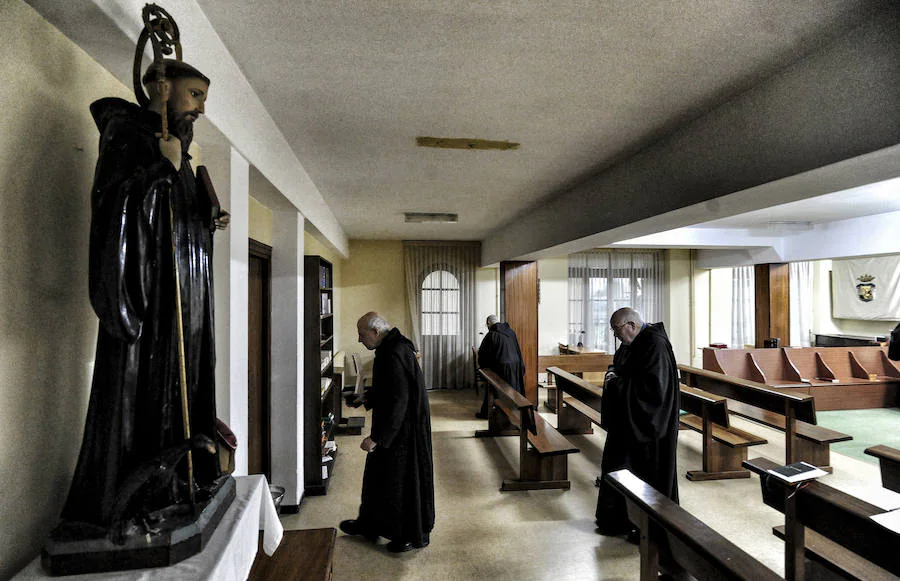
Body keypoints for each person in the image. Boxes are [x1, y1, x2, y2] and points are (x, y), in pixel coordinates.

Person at [57, 58, 227, 537]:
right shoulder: (127, 134)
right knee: (142, 395)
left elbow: (176, 227)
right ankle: (136, 497)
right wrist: (160, 167)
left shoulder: (179, 149)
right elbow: (115, 207)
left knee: (187, 384)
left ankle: (181, 482)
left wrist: (202, 221)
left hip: (184, 301)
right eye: (195, 94)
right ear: (162, 85)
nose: (200, 107)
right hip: (150, 300)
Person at [340, 312, 435, 552]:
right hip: (394, 428)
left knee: (399, 483)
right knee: (377, 478)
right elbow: (388, 390)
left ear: (376, 332)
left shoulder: (394, 353)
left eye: (362, 334)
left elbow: (399, 401)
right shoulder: (389, 347)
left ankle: (407, 535)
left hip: (402, 432)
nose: (359, 339)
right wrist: (366, 397)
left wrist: (377, 438)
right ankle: (370, 524)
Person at [595, 307, 680, 541]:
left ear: (631, 325)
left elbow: (654, 391)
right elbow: (619, 366)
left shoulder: (655, 344)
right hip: (629, 422)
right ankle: (619, 519)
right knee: (619, 467)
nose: (615, 336)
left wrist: (616, 384)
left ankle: (647, 526)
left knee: (644, 475)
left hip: (648, 427)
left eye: (617, 330)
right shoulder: (634, 341)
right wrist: (613, 375)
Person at [475, 315, 526, 418]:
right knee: (514, 390)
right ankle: (515, 412)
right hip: (515, 365)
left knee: (496, 390)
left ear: (489, 324)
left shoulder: (491, 335)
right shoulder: (510, 332)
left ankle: (492, 414)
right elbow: (517, 349)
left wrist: (484, 366)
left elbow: (483, 353)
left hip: (501, 367)